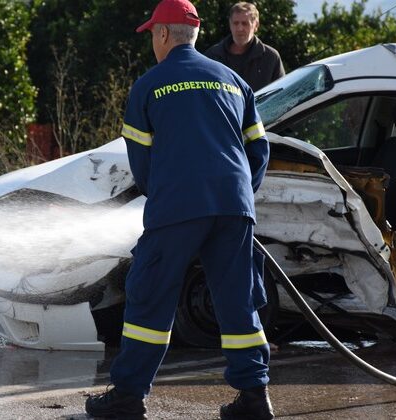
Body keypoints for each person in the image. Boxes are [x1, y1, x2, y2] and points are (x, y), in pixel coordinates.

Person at [84, 0, 273, 419]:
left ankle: (129, 397)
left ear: (164, 35)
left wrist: (167, 194)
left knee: (149, 298)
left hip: (178, 207)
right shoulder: (233, 81)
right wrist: (240, 193)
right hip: (234, 207)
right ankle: (256, 399)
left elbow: (142, 163)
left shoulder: (149, 86)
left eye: (153, 33)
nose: (153, 41)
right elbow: (259, 149)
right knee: (237, 302)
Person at [205, 2, 285, 91]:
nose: (240, 29)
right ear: (230, 24)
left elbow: (281, 94)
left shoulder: (270, 58)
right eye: (236, 23)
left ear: (256, 25)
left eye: (245, 23)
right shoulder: (212, 56)